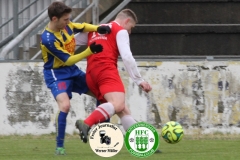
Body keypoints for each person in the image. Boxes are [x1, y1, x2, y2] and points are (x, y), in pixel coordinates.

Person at [40, 1, 111, 155]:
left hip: (73, 71)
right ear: (54, 19)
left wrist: (97, 28)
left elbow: (82, 26)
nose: (68, 21)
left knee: (103, 95)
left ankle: (100, 134)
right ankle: (59, 147)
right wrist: (89, 51)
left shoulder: (66, 25)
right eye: (65, 19)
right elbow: (68, 60)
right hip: (56, 74)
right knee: (65, 106)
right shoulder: (48, 39)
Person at [75, 8, 152, 144]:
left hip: (91, 75)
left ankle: (141, 143)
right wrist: (139, 80)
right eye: (130, 28)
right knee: (118, 103)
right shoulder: (120, 30)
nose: (130, 32)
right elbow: (127, 57)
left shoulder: (96, 29)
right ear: (126, 21)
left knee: (122, 109)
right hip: (106, 71)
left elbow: (72, 43)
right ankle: (86, 123)